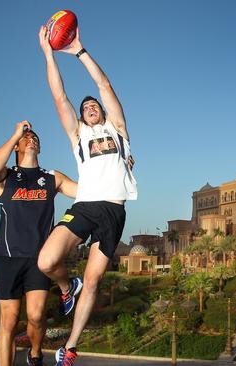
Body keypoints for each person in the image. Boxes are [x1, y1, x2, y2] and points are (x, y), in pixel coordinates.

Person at [37, 25, 137, 366]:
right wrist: (49, 53)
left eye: (95, 104)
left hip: (113, 212)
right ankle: (67, 286)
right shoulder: (78, 135)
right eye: (87, 106)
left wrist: (79, 50)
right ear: (81, 117)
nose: (91, 105)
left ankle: (71, 347)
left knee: (94, 282)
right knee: (47, 261)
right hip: (85, 206)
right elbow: (59, 96)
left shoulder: (117, 129)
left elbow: (104, 85)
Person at [0, 120, 77, 366]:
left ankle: (35, 353)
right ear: (16, 146)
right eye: (26, 138)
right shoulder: (6, 177)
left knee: (36, 317)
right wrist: (16, 133)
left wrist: (116, 172)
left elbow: (83, 191)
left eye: (35, 137)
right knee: (9, 320)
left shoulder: (51, 177)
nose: (31, 139)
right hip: (8, 258)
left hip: (38, 259)